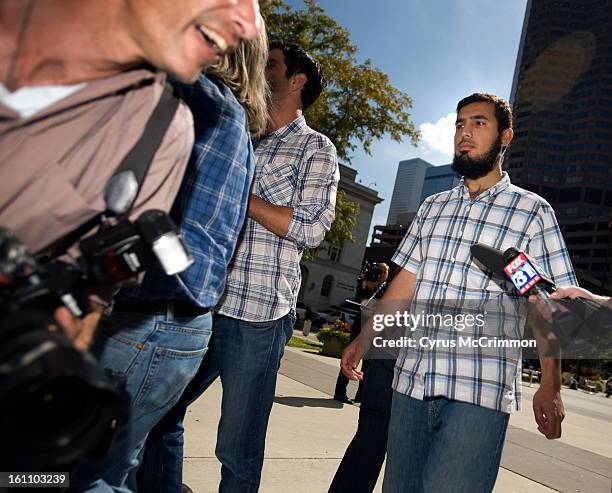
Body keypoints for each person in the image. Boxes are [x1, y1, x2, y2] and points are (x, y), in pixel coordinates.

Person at [342, 93, 577, 493]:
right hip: (412, 382)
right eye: (459, 123)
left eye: (479, 123)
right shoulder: (433, 208)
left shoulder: (532, 213)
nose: (464, 132)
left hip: (478, 392)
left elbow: (546, 305)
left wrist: (550, 382)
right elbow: (405, 285)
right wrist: (365, 338)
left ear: (506, 137)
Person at [0, 0, 262, 347]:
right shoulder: (228, 119)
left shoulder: (173, 116)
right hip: (189, 315)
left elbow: (90, 296)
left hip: (152, 313)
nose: (251, 21)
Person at [151, 42, 338, 492]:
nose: (260, 68)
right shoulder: (240, 132)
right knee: (161, 415)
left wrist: (241, 195)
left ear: (298, 81)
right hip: (204, 301)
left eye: (271, 64)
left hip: (258, 316)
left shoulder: (316, 149)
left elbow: (311, 228)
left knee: (237, 448)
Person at [129, 21, 271, 493]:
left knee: (62, 472)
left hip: (147, 314)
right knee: (118, 460)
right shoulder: (241, 131)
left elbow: (137, 202)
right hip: (190, 321)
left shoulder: (192, 97)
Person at [334, 262, 389, 404]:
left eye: (384, 272)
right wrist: (367, 284)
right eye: (379, 271)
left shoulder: (389, 289)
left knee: (368, 364)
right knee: (351, 357)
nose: (381, 274)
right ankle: (340, 392)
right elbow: (360, 297)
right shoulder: (366, 283)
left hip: (376, 327)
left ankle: (361, 395)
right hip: (360, 325)